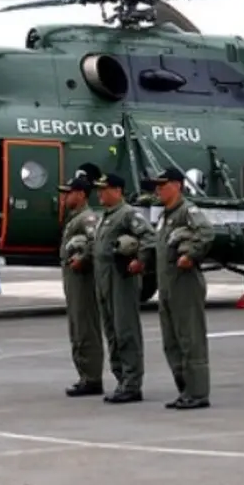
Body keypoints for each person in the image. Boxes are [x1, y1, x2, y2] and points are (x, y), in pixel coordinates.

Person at [146, 167, 216, 410]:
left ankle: (198, 392)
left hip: (185, 284)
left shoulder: (188, 211)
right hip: (167, 285)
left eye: (162, 185)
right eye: (157, 186)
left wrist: (191, 255)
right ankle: (185, 390)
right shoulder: (165, 216)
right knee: (172, 341)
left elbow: (206, 232)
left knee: (190, 339)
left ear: (177, 185)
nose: (158, 190)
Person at [92, 173, 156, 404]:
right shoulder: (105, 216)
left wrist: (140, 260)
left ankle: (132, 384)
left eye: (104, 189)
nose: (99, 193)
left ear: (118, 190)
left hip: (121, 279)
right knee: (111, 332)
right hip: (103, 279)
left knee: (125, 330)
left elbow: (149, 238)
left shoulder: (128, 214)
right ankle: (121, 379)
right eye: (98, 189)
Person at [58, 176, 105, 397]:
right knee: (77, 328)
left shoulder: (87, 218)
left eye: (69, 193)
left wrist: (83, 259)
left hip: (84, 281)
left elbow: (96, 242)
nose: (64, 197)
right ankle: (85, 375)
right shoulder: (74, 218)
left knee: (86, 327)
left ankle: (92, 378)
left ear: (81, 194)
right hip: (73, 280)